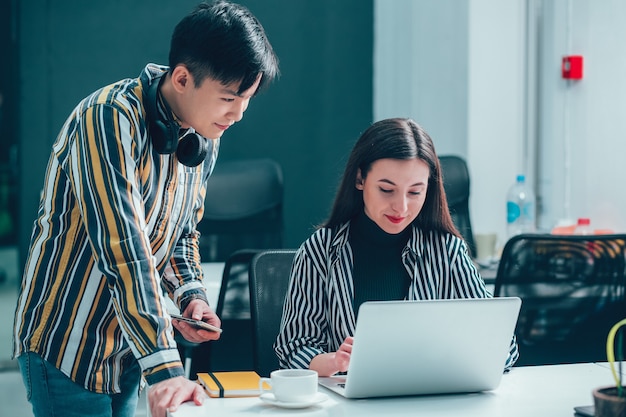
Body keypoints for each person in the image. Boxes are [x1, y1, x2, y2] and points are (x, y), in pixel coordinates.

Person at [12, 2, 279, 417]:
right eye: (229, 97)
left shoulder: (205, 130)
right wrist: (166, 368)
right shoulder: (106, 119)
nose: (238, 113)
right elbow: (125, 250)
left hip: (128, 345)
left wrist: (191, 296)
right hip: (68, 346)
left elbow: (182, 233)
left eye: (245, 99)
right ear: (183, 77)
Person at [274, 118, 518, 377]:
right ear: (360, 179)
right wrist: (334, 362)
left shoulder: (446, 250)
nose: (401, 207)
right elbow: (293, 348)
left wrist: (460, 357)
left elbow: (504, 345)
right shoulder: (320, 250)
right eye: (387, 189)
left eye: (415, 192)